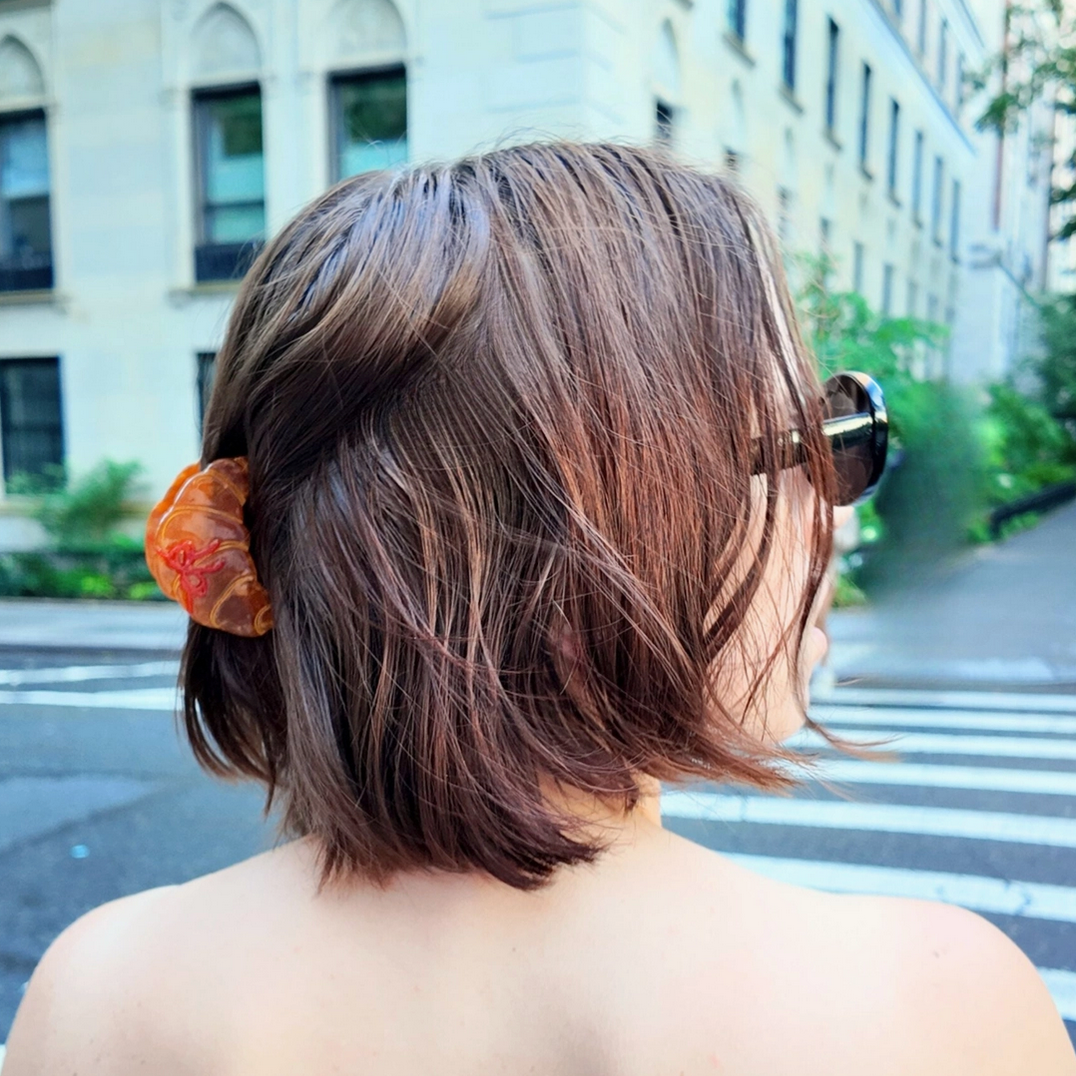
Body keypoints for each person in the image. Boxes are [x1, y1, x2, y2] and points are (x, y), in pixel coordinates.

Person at [5, 142, 1072, 1075]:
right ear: (605, 532)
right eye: (822, 439)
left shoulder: (93, 997)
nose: (839, 515)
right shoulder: (935, 1010)